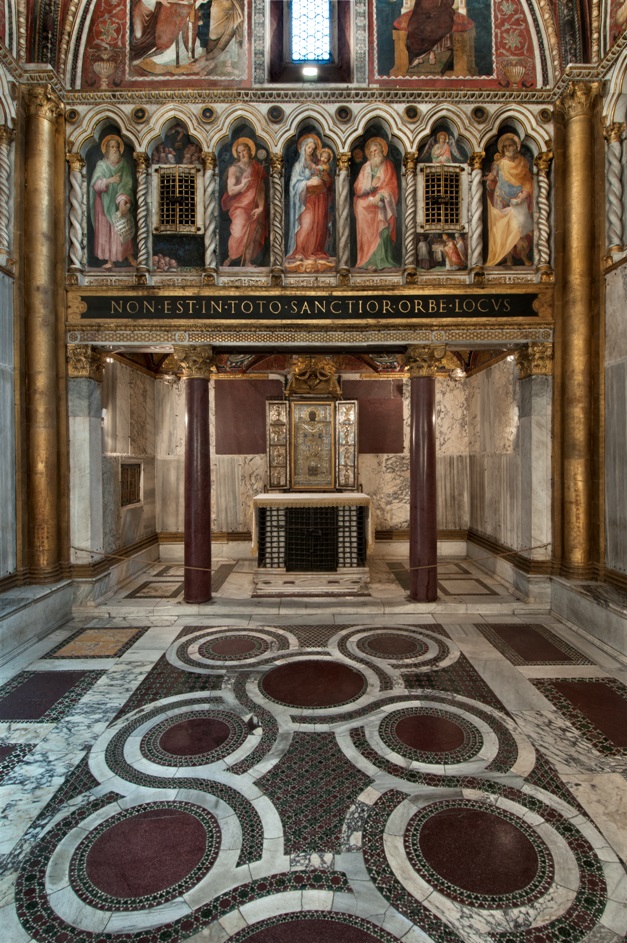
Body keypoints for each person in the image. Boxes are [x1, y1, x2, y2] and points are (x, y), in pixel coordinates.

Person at [485, 132, 533, 266]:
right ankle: (509, 259)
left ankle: (523, 257)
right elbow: (492, 179)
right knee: (503, 229)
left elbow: (528, 182)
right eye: (505, 146)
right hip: (501, 198)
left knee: (520, 229)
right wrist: (487, 182)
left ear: (516, 147)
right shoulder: (498, 164)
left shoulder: (523, 163)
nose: (507, 148)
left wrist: (524, 195)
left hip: (519, 199)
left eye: (510, 145)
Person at [89, 135, 136, 269]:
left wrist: (122, 200)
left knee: (122, 229)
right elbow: (95, 185)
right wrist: (109, 181)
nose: (115, 150)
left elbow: (126, 183)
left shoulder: (124, 165)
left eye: (117, 147)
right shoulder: (101, 165)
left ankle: (129, 257)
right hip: (103, 204)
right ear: (106, 150)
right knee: (106, 231)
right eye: (112, 147)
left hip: (119, 202)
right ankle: (110, 261)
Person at [353, 138, 399, 270]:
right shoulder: (365, 167)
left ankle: (382, 260)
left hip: (382, 200)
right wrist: (370, 186)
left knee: (382, 214)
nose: (373, 153)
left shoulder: (388, 165)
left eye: (376, 151)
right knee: (360, 206)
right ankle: (366, 260)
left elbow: (392, 186)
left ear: (382, 151)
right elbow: (357, 187)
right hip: (366, 200)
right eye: (371, 151)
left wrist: (380, 195)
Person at [221, 137, 267, 267]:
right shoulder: (234, 169)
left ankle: (247, 262)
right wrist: (242, 185)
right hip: (239, 207)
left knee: (252, 234)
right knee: (237, 232)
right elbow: (231, 191)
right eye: (239, 152)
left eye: (244, 151)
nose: (242, 154)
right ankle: (230, 257)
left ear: (250, 151)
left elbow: (260, 189)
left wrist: (260, 207)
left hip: (254, 206)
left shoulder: (257, 167)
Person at [287, 136, 334, 263]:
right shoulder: (298, 166)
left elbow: (327, 180)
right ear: (303, 148)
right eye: (308, 148)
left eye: (313, 149)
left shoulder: (318, 164)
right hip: (305, 201)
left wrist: (325, 180)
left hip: (319, 199)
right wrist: (307, 184)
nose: (310, 150)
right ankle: (300, 250)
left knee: (317, 225)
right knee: (306, 225)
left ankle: (313, 251)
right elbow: (294, 185)